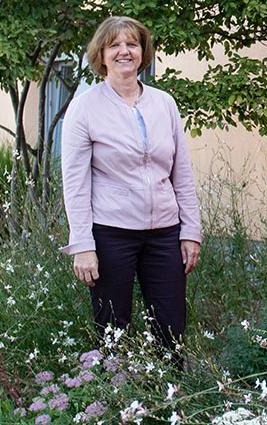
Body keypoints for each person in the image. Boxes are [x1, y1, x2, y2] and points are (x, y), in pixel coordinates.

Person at [60, 16, 202, 368]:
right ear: (102, 55)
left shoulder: (164, 103)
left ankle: (169, 400)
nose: (125, 51)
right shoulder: (85, 107)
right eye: (115, 45)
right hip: (111, 234)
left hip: (165, 234)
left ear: (142, 52)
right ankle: (116, 403)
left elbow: (181, 173)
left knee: (170, 327)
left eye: (132, 44)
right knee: (113, 329)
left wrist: (191, 231)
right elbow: (75, 183)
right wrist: (82, 245)